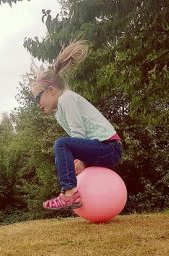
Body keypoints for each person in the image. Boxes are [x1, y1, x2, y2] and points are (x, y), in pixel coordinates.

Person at [31, 40, 123, 210]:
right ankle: (75, 197)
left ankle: (69, 194)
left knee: (61, 144)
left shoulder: (66, 98)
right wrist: (80, 160)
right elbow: (79, 140)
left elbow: (78, 133)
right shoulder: (59, 111)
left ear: (51, 90)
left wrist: (80, 158)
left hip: (110, 147)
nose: (38, 103)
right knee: (62, 153)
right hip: (102, 147)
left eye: (38, 98)